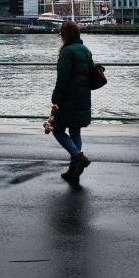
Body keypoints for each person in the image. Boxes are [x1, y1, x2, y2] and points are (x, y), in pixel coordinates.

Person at [50, 20, 92, 185]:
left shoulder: (67, 52)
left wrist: (55, 99)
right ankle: (72, 170)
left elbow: (62, 79)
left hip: (68, 99)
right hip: (83, 97)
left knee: (57, 130)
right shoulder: (85, 50)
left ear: (64, 35)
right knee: (75, 132)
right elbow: (90, 74)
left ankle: (78, 157)